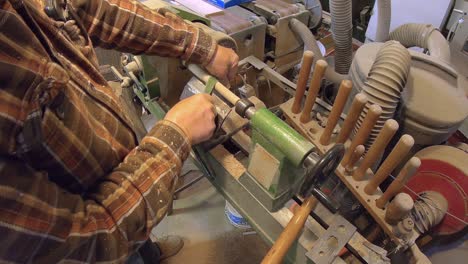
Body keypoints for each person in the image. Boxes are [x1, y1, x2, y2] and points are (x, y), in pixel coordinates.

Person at [0, 0, 239, 263]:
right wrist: (175, 135)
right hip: (98, 236)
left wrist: (201, 47)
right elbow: (87, 244)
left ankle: (146, 252)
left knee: (139, 239)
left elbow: (90, 9)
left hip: (122, 190)